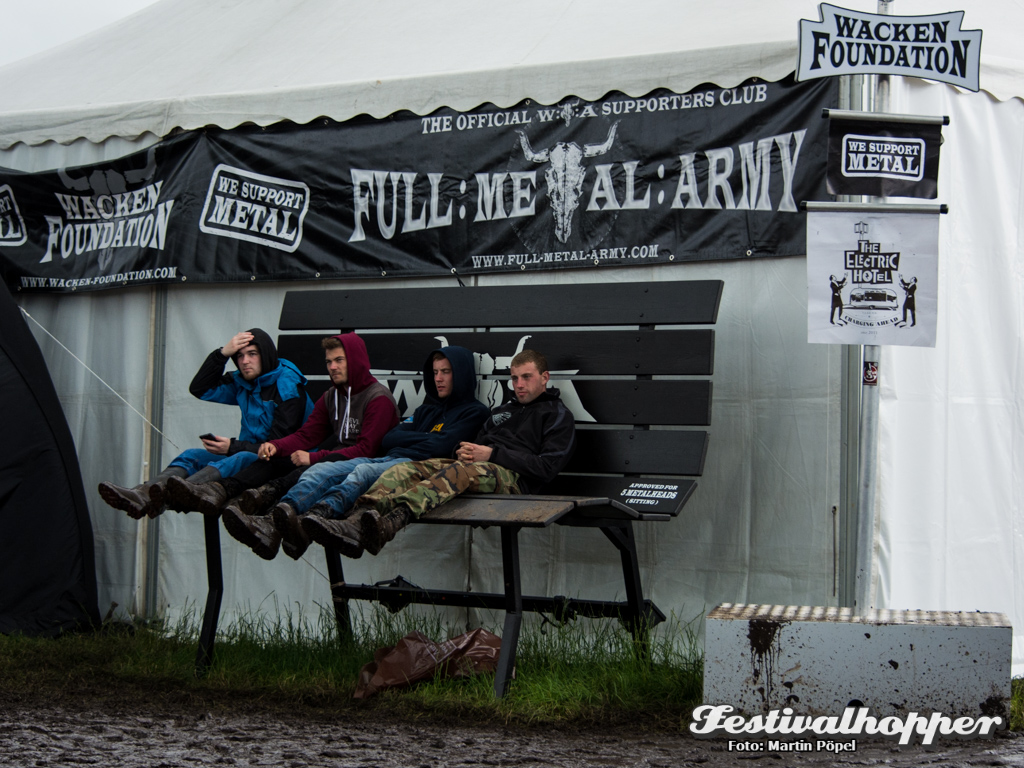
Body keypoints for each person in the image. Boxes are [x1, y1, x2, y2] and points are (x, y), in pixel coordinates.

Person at [222, 345, 489, 560]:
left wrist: (419, 439)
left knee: (362, 470)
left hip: (417, 470)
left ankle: (315, 518)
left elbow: (441, 446)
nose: (438, 378)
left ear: (462, 374)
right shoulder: (426, 410)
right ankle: (273, 521)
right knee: (321, 469)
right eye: (435, 372)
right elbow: (390, 437)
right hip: (389, 458)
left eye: (446, 372)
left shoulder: (474, 412)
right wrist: (427, 437)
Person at [303, 349, 576, 558]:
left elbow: (547, 467)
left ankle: (392, 522)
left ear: (544, 377)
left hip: (514, 481)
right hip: (478, 469)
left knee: (458, 471)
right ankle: (358, 520)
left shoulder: (557, 415)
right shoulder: (502, 410)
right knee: (406, 469)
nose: (519, 384)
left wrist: (492, 455)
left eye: (526, 377)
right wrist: (466, 450)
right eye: (515, 377)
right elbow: (474, 447)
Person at [164, 332, 399, 516]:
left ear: (356, 361)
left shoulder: (378, 399)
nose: (332, 367)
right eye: (329, 362)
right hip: (328, 459)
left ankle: (266, 506)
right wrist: (276, 446)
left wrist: (313, 457)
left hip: (365, 467)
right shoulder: (331, 396)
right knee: (270, 457)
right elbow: (307, 435)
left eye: (339, 360)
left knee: (306, 467)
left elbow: (366, 451)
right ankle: (193, 492)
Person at [98, 329, 313, 520]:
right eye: (239, 356)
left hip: (284, 463)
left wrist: (232, 447)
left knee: (240, 456)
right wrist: (221, 354)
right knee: (192, 455)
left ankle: (175, 494)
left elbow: (279, 445)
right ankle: (142, 494)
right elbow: (201, 389)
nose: (245, 361)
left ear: (265, 355)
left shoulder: (288, 385)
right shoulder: (243, 382)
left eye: (252, 354)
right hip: (253, 455)